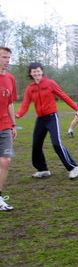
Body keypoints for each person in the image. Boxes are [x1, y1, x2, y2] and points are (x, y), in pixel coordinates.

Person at [16, 62, 78, 179]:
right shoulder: (30, 89)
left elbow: (63, 96)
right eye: (34, 71)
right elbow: (25, 104)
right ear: (31, 73)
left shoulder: (50, 83)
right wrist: (18, 115)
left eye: (38, 70)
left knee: (56, 143)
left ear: (42, 71)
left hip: (52, 117)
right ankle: (43, 169)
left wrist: (77, 109)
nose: (36, 73)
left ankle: (73, 167)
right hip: (40, 119)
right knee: (36, 145)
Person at [0, 47, 17, 211]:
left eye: (8, 57)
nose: (7, 60)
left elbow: (10, 103)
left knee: (6, 160)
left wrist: (13, 124)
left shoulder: (10, 78)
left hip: (4, 125)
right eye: (4, 57)